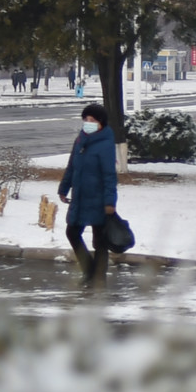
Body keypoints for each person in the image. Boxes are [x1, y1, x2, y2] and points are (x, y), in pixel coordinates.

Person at [59, 103, 119, 287]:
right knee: (72, 232)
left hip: (99, 200)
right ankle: (88, 270)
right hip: (80, 197)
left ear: (100, 123)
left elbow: (110, 176)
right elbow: (72, 167)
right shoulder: (80, 141)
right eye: (85, 119)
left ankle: (98, 277)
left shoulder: (106, 144)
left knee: (99, 241)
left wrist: (110, 202)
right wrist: (63, 188)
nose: (88, 123)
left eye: (92, 120)